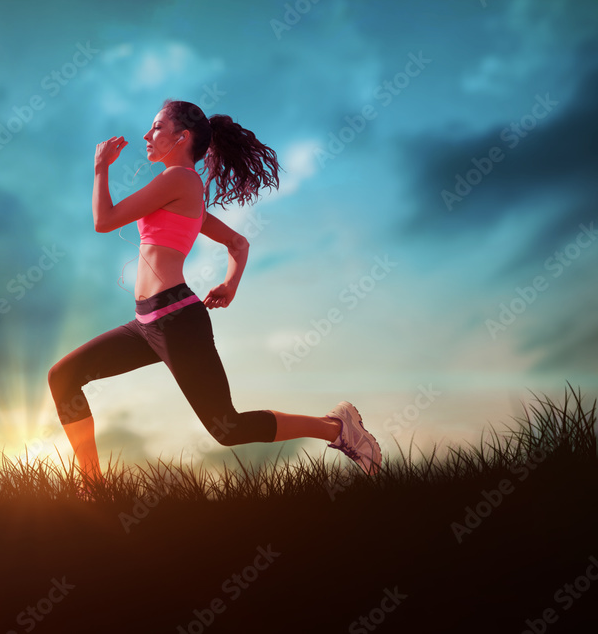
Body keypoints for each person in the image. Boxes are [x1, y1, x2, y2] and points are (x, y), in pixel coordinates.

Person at [47, 99, 381, 487]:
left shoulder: (179, 180)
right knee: (64, 377)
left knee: (228, 428)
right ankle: (92, 486)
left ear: (181, 136)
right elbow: (238, 243)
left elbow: (104, 221)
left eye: (156, 127)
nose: (146, 135)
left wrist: (101, 167)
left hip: (175, 321)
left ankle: (336, 428)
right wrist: (229, 284)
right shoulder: (183, 189)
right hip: (147, 323)